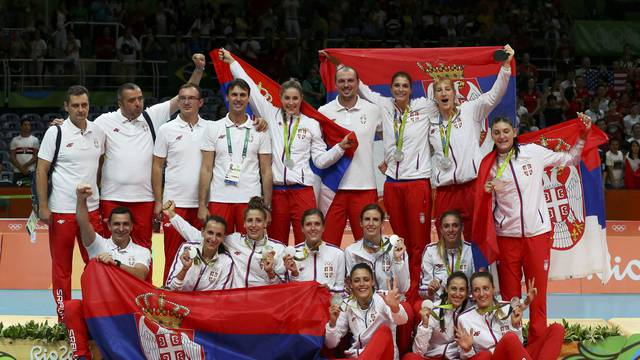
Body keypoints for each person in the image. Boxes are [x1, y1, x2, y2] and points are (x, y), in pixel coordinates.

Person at [476, 114, 590, 346]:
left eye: (506, 131)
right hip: (506, 238)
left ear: (515, 132)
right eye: (496, 132)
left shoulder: (534, 153)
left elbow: (571, 159)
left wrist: (583, 135)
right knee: (510, 299)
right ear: (492, 136)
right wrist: (486, 191)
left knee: (537, 296)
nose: (502, 136)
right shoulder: (489, 165)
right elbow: (480, 201)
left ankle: (537, 345)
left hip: (537, 236)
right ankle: (511, 345)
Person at [219, 48, 354, 244]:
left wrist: (340, 147)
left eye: (295, 98)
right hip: (277, 192)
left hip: (303, 191)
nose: (291, 103)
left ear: (301, 99)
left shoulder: (311, 124)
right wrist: (232, 62)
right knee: (276, 243)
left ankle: (304, 275)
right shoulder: (270, 114)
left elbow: (320, 161)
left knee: (306, 240)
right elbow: (251, 87)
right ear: (280, 98)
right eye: (287, 98)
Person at [94, 53, 205, 281]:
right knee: (110, 249)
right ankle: (114, 292)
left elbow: (184, 96)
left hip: (143, 199)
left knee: (145, 249)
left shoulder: (151, 116)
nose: (138, 103)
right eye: (132, 100)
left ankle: (147, 296)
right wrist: (60, 124)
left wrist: (199, 70)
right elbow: (81, 128)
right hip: (112, 197)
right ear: (120, 103)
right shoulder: (104, 122)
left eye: (140, 98)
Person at [429, 45, 513, 252]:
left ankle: (480, 281)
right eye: (439, 90)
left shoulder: (470, 110)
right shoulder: (429, 123)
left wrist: (505, 66)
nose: (444, 93)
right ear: (434, 97)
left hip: (472, 186)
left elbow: (494, 95)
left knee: (478, 236)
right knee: (446, 240)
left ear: (455, 93)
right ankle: (451, 281)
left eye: (447, 89)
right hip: (445, 190)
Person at [36, 85, 106, 321]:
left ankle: (96, 313)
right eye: (75, 105)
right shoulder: (55, 133)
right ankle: (64, 317)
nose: (80, 110)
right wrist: (43, 206)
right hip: (61, 211)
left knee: (96, 264)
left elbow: (100, 166)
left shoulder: (98, 131)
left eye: (84, 105)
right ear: (66, 107)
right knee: (62, 269)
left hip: (92, 210)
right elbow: (41, 170)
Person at [65, 183, 151, 360]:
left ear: (132, 226)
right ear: (109, 226)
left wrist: (115, 263)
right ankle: (81, 357)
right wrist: (81, 200)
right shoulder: (98, 245)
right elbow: (83, 223)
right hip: (98, 310)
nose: (121, 228)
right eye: (116, 224)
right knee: (72, 307)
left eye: (125, 224)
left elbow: (140, 275)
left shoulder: (142, 252)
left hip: (127, 310)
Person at [317, 60, 382, 247]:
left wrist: (390, 159)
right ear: (336, 83)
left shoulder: (373, 110)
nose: (346, 85)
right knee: (328, 247)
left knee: (369, 245)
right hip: (333, 188)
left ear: (358, 83)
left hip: (365, 187)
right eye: (342, 81)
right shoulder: (324, 112)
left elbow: (394, 134)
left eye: (350, 81)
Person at [197, 78, 273, 234]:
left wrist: (267, 206)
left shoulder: (259, 129)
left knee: (248, 249)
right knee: (218, 247)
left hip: (250, 200)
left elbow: (266, 171)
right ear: (227, 97)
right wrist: (202, 205)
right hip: (220, 197)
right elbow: (206, 169)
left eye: (243, 95)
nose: (238, 99)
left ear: (248, 98)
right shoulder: (213, 128)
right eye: (234, 94)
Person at [152, 83, 210, 282]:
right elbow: (157, 166)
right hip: (174, 206)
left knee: (202, 258)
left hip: (203, 204)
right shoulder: (166, 129)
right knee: (173, 257)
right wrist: (158, 201)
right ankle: (168, 303)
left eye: (191, 98)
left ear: (200, 102)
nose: (186, 102)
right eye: (182, 98)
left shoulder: (211, 128)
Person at [169, 196, 286, 288]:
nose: (254, 225)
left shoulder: (278, 249)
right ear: (244, 223)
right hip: (235, 303)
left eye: (259, 221)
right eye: (250, 220)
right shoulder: (233, 240)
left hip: (262, 304)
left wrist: (270, 272)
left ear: (265, 223)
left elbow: (283, 287)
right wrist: (172, 216)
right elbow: (200, 237)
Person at [344, 203, 413, 354]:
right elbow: (352, 286)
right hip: (364, 301)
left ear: (382, 223)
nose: (371, 223)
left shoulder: (395, 246)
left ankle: (400, 352)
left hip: (392, 301)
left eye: (375, 220)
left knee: (407, 310)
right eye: (367, 219)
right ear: (360, 223)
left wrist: (398, 260)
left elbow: (403, 288)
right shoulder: (351, 251)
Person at [456, 272, 564, 360]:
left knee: (557, 329)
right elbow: (468, 357)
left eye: (486, 288)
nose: (482, 294)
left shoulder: (508, 307)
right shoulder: (464, 319)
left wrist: (515, 326)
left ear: (493, 289)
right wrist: (467, 349)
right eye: (476, 290)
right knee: (507, 340)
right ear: (472, 295)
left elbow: (518, 344)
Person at [325, 263, 408, 360]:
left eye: (366, 279)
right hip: (358, 356)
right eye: (356, 281)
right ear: (350, 284)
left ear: (372, 281)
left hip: (383, 356)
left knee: (383, 332)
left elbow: (402, 320)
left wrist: (394, 308)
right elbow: (331, 344)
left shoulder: (385, 297)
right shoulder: (346, 304)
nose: (361, 284)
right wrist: (332, 323)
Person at [163, 200, 234, 291]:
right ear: (202, 232)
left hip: (206, 304)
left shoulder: (226, 261)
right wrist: (184, 269)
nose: (213, 239)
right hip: (181, 302)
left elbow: (219, 297)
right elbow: (171, 288)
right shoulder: (186, 249)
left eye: (219, 235)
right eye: (210, 233)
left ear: (224, 237)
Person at [403, 271, 470, 360]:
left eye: (462, 289)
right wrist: (425, 325)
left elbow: (471, 353)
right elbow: (417, 352)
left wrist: (467, 349)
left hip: (457, 358)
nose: (457, 294)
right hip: (433, 357)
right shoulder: (434, 310)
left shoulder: (471, 312)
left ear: (467, 292)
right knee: (410, 357)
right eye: (454, 288)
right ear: (446, 289)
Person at [283, 208, 345, 294]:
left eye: (317, 224)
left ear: (323, 227)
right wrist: (294, 274)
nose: (313, 228)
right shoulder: (293, 254)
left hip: (327, 305)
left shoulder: (338, 254)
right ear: (302, 228)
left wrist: (329, 289)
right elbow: (289, 292)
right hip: (303, 305)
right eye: (308, 224)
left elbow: (342, 289)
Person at [418, 210, 474, 301]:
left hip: (465, 306)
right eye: (446, 226)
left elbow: (478, 286)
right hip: (440, 305)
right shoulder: (430, 251)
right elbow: (422, 290)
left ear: (462, 228)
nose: (451, 230)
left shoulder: (471, 251)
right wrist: (429, 290)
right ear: (441, 230)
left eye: (455, 225)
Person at [10, 116, 39, 185]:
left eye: (29, 125)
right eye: (25, 125)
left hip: (30, 171)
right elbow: (12, 157)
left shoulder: (35, 140)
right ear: (21, 126)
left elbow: (36, 156)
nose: (27, 126)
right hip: (17, 171)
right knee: (16, 193)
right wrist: (21, 168)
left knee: (32, 193)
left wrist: (24, 166)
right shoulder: (15, 140)